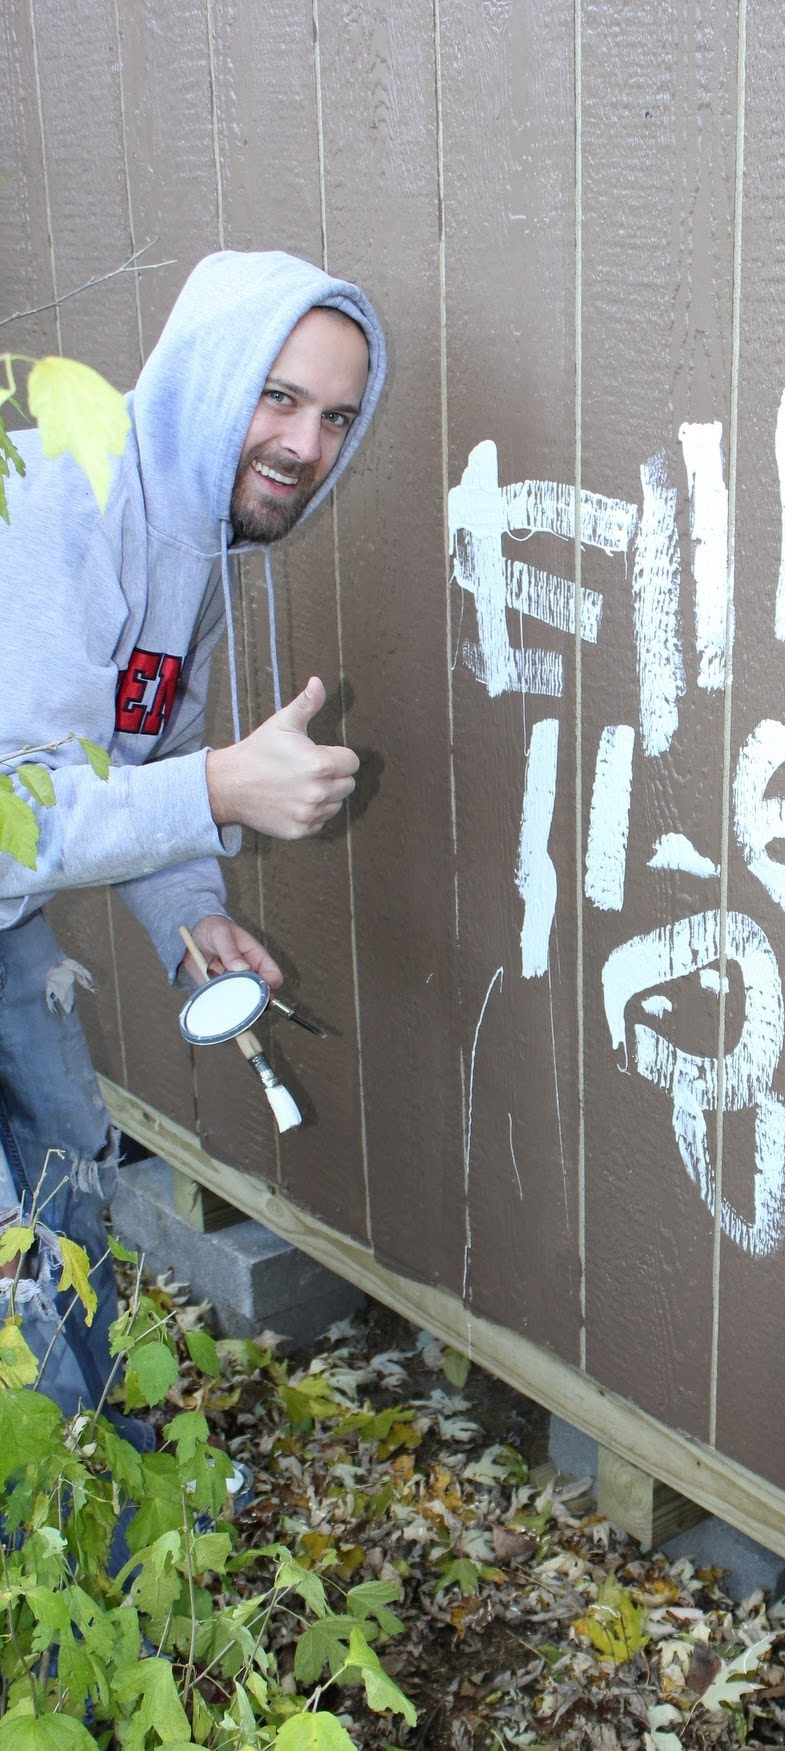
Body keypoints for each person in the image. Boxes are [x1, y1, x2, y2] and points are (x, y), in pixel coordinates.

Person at [0, 249, 386, 1436]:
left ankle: (108, 1489)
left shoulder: (200, 536)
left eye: (335, 415)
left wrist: (189, 913)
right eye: (279, 397)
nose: (305, 444)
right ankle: (60, 1562)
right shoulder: (71, 495)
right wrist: (224, 782)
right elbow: (23, 811)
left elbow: (143, 759)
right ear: (210, 374)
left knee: (69, 1165)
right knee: (9, 1286)